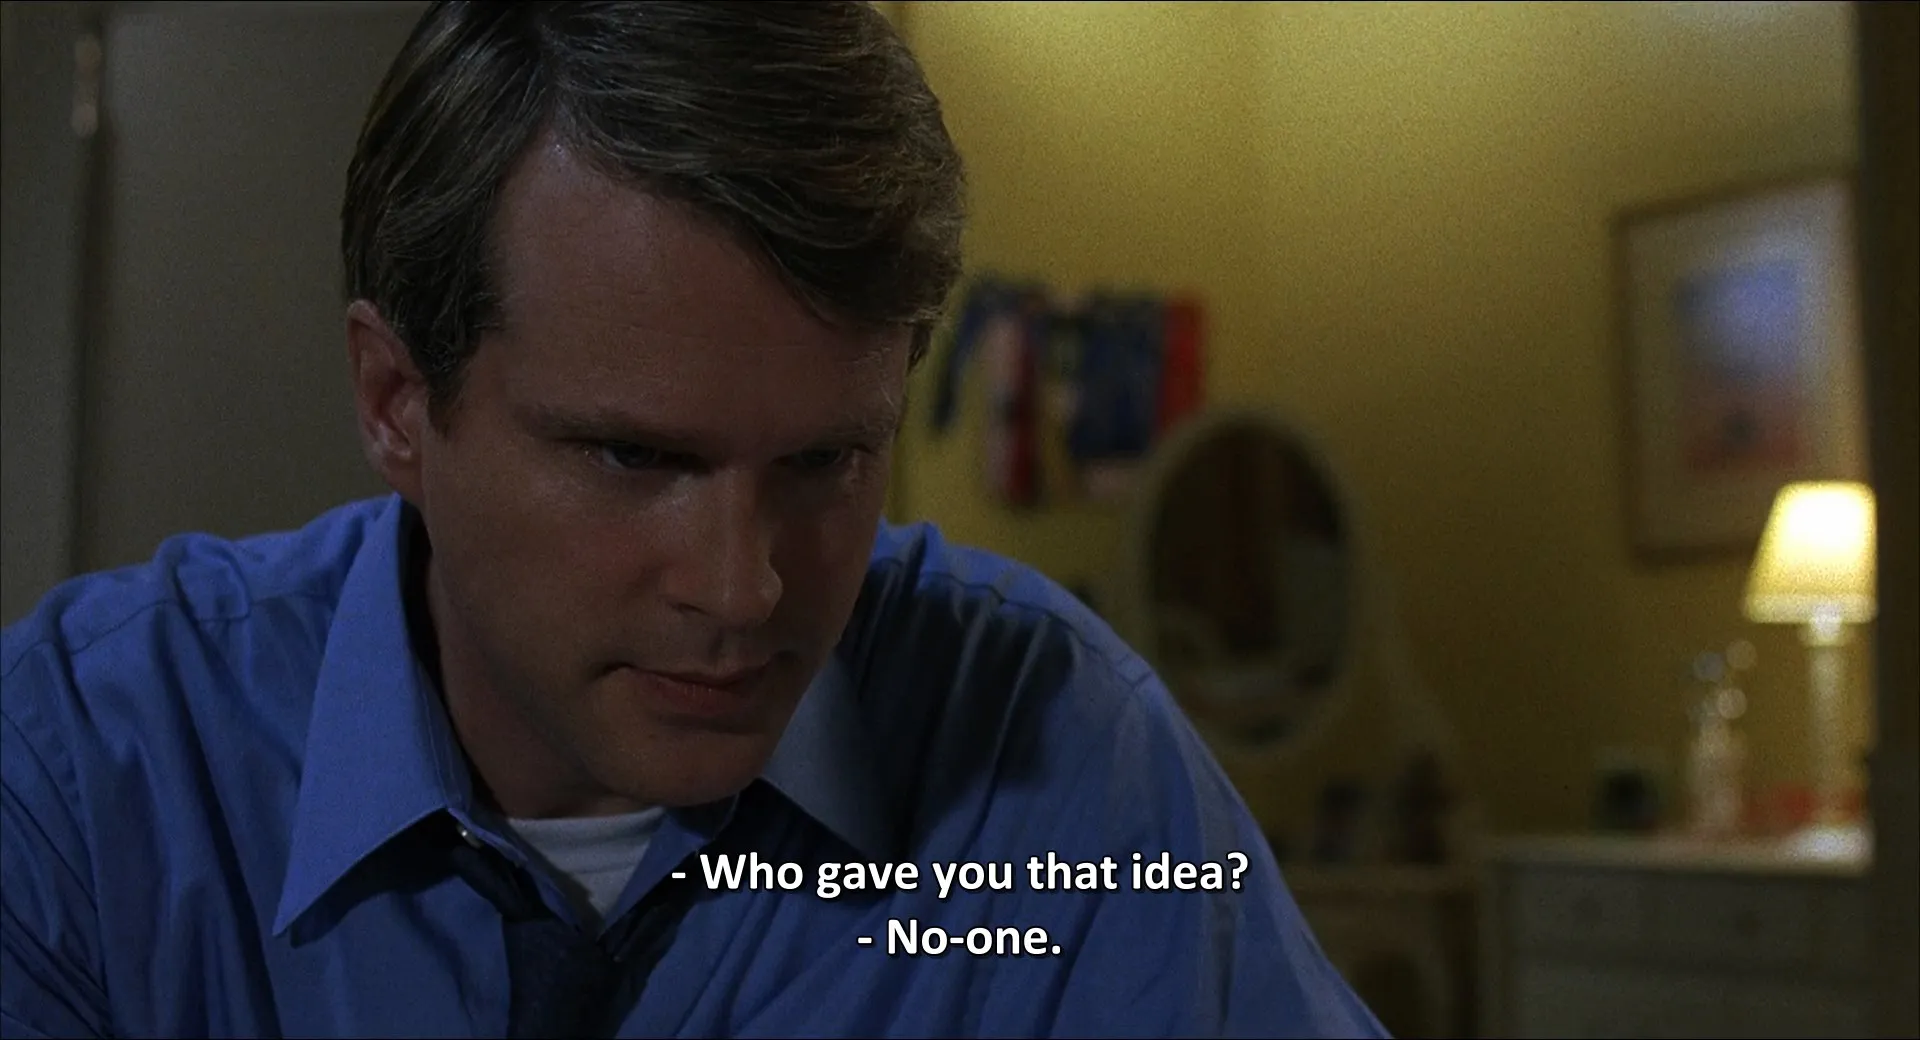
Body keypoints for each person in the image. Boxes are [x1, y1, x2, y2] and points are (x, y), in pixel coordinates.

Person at [0, 4, 1385, 1038]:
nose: (743, 589)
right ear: (397, 400)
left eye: (826, 461)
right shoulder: (89, 770)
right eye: (634, 456)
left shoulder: (1060, 762)